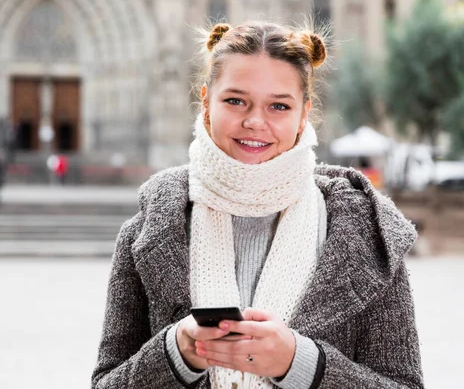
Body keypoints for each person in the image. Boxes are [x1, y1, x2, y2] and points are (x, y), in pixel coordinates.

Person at [92, 21, 424, 388]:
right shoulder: (145, 233)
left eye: (279, 106)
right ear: (205, 101)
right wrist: (175, 352)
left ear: (303, 116)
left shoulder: (367, 234)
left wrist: (301, 363)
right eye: (235, 100)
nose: (255, 122)